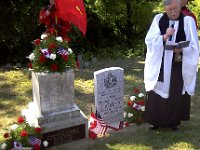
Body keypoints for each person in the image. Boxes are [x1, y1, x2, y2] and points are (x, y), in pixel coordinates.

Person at [144, 0, 199, 131]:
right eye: (170, 9)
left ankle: (174, 122)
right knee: (157, 90)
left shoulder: (188, 21)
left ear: (180, 7)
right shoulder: (158, 19)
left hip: (178, 63)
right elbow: (149, 40)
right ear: (165, 8)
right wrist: (165, 36)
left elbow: (195, 44)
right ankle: (155, 121)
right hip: (161, 63)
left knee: (175, 90)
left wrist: (182, 49)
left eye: (175, 8)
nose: (173, 12)